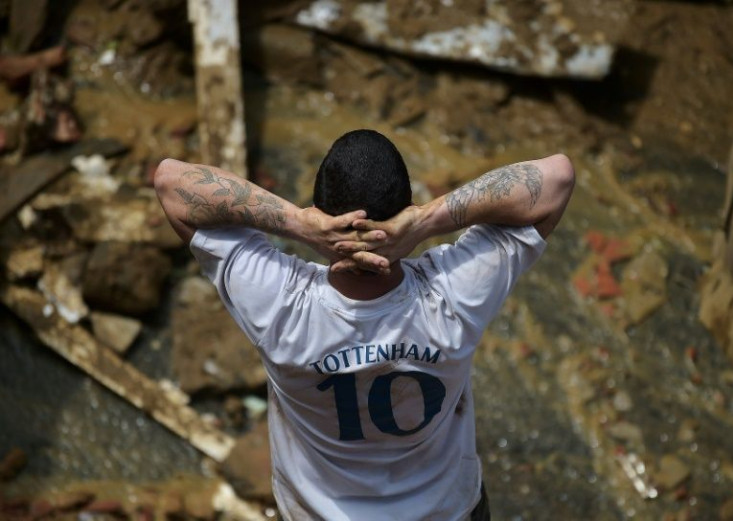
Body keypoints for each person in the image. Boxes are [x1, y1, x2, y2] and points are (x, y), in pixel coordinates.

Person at [154, 129, 575, 520]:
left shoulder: (280, 306)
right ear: (405, 209)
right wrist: (427, 220)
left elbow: (172, 184)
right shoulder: (453, 296)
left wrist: (299, 224)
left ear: (321, 212)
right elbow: (555, 178)